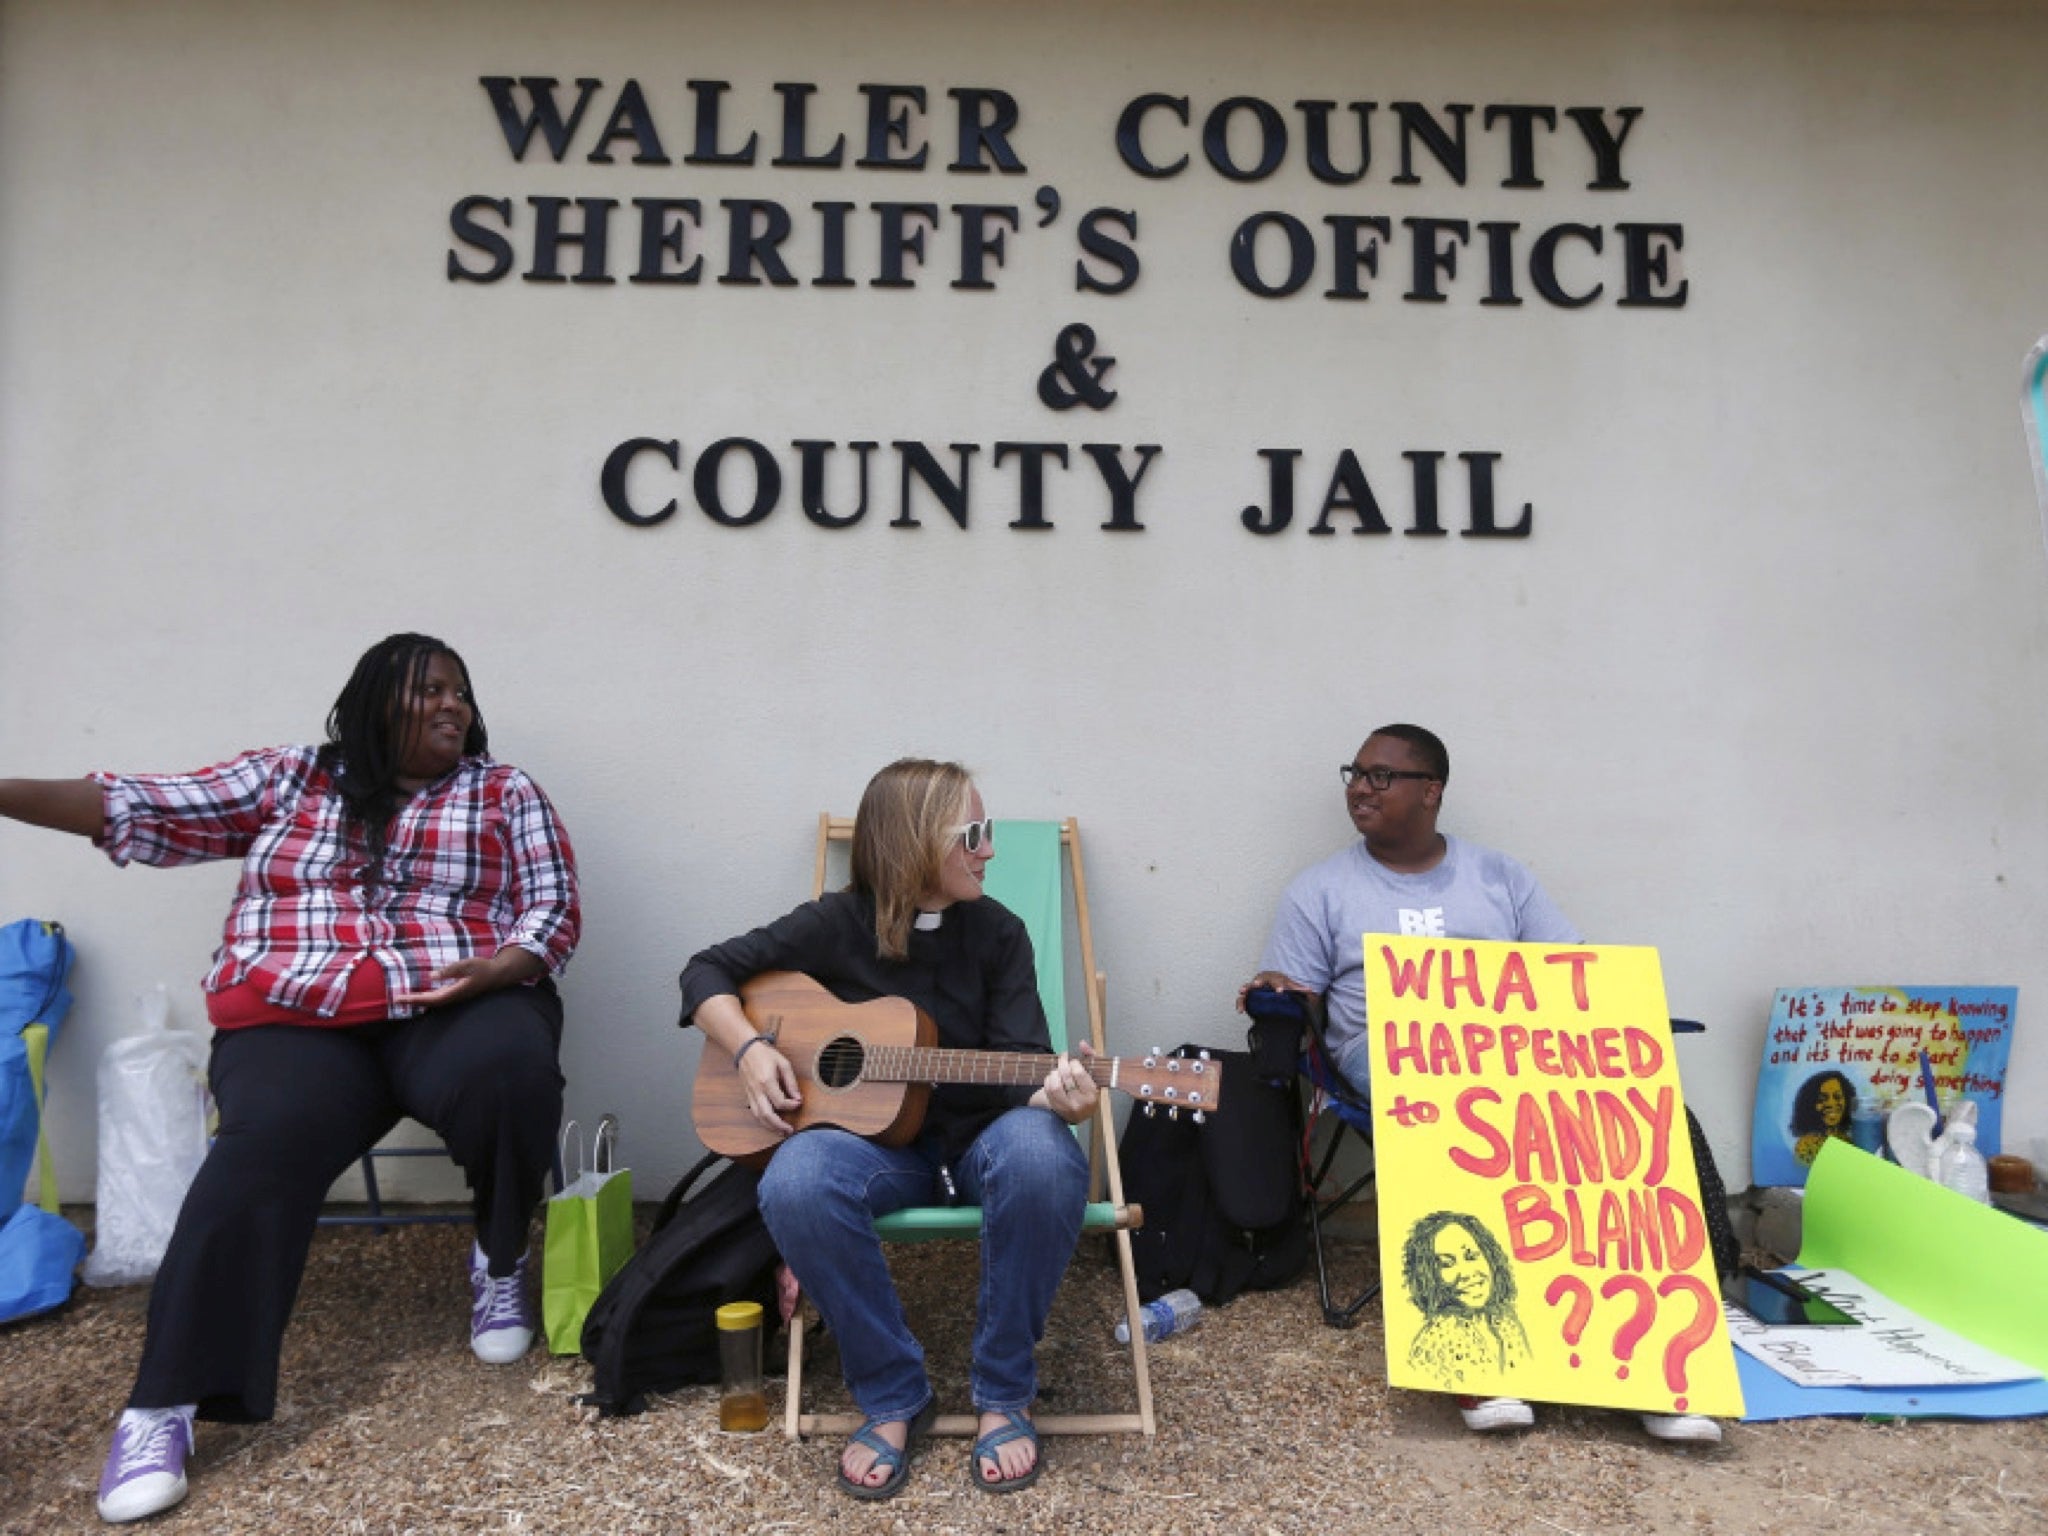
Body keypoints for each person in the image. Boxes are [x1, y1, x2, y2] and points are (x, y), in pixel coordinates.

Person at [0, 633, 580, 1524]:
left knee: (512, 1069)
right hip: (299, 1016)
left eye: (460, 692)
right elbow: (145, 806)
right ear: (370, 704)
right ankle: (164, 1406)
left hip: (455, 997)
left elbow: (552, 904)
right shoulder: (289, 780)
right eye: (427, 691)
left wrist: (504, 967)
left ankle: (500, 1257)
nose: (451, 706)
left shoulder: (502, 791)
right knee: (256, 1154)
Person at [1240, 723, 1721, 1446]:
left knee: (1640, 1120)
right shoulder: (1321, 891)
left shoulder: (1500, 878)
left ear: (1431, 791)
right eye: (1355, 773)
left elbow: (1572, 973)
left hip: (1513, 1060)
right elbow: (1296, 996)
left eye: (1380, 776)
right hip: (1390, 1066)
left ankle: (1651, 1361)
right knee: (1463, 1122)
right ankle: (1482, 1358)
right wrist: (1278, 989)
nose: (1359, 788)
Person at [678, 758, 1094, 1500]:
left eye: (988, 832)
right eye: (974, 834)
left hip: (979, 1144)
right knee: (797, 1177)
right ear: (910, 844)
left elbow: (1025, 1064)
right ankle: (893, 1393)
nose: (989, 850)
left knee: (1044, 1157)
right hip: (874, 1151)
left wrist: (1056, 1102)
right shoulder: (834, 924)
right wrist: (748, 1049)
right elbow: (705, 972)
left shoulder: (999, 933)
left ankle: (1004, 1391)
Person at [1402, 1211, 1533, 1390]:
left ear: (1490, 1257)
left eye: (1471, 1256)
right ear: (1429, 1276)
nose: (1466, 1274)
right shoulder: (1439, 1340)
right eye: (1446, 1264)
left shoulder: (1505, 1321)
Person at [1790, 1070, 1855, 1165]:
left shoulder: (1847, 1140)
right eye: (1822, 1099)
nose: (1831, 1104)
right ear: (1809, 1105)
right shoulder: (1806, 1147)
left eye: (1837, 1097)